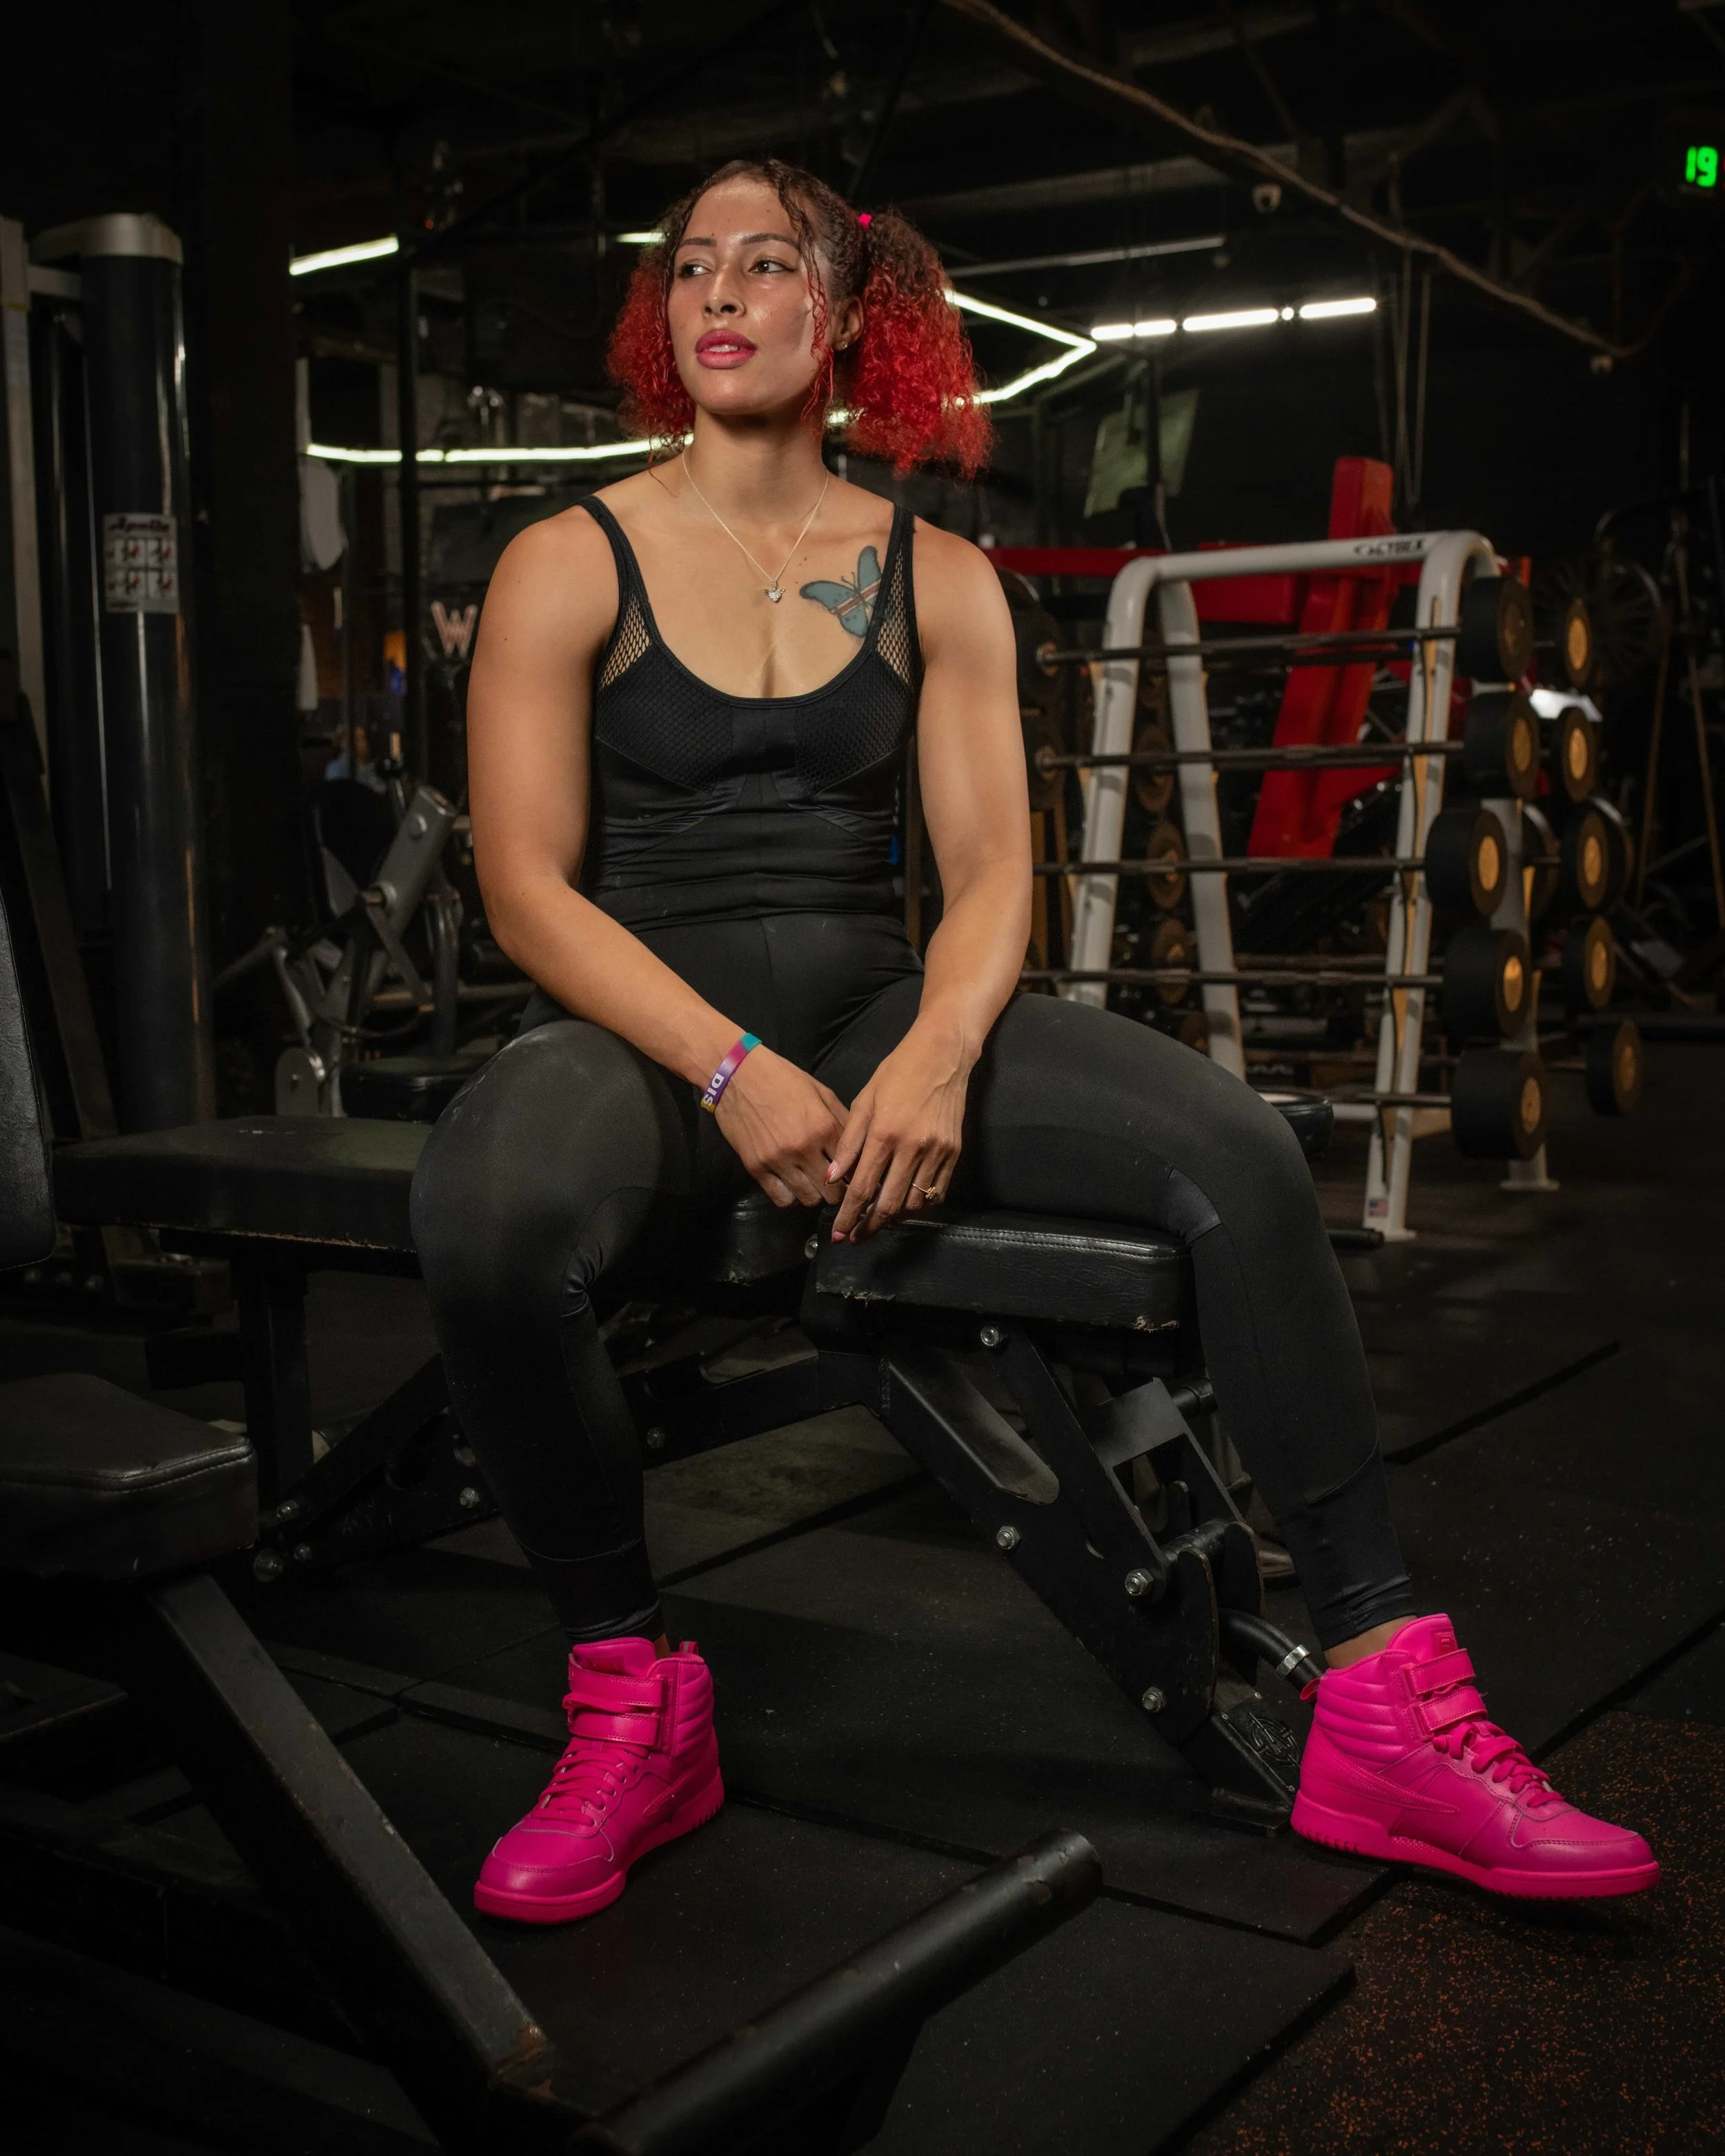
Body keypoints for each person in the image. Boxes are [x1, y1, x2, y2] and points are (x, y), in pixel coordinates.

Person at [411, 157, 1657, 1923]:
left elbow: (997, 869)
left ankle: (1382, 1694)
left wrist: (926, 1053)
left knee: (1228, 1150)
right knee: (483, 1208)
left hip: (874, 1002)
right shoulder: (568, 557)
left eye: (765, 265)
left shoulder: (937, 575)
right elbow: (525, 889)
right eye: (690, 266)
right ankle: (633, 1700)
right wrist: (724, 1067)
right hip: (650, 1035)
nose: (718, 293)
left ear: (843, 319)